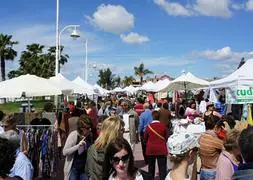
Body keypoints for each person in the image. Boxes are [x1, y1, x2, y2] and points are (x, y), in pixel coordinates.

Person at [63, 115, 93, 180]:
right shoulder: (73, 135)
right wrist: (77, 146)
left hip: (84, 169)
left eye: (90, 127)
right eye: (87, 128)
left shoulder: (89, 135)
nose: (90, 129)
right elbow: (64, 152)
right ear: (82, 128)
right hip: (74, 169)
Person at [144, 111, 168, 180]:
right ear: (159, 117)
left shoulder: (148, 127)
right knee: (162, 168)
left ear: (152, 117)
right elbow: (166, 137)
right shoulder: (163, 126)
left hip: (151, 149)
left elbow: (145, 137)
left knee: (151, 167)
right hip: (161, 149)